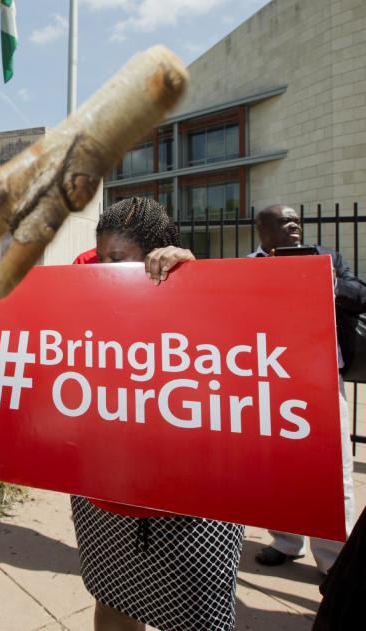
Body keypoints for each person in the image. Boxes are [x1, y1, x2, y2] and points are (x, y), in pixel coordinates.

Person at [72, 197, 243, 631]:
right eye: (101, 255)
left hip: (187, 503)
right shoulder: (84, 278)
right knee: (114, 602)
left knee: (196, 617)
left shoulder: (190, 279)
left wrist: (195, 280)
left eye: (119, 259)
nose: (104, 267)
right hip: (106, 495)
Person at [250, 204, 364, 574]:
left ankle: (333, 560)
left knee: (334, 471)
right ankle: (285, 542)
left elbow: (360, 295)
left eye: (296, 220)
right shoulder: (249, 266)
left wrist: (327, 281)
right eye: (283, 221)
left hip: (322, 379)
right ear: (262, 230)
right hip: (271, 380)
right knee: (278, 468)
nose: (294, 225)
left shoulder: (326, 258)